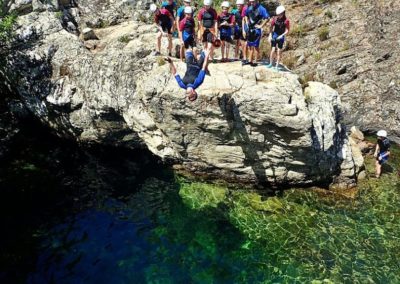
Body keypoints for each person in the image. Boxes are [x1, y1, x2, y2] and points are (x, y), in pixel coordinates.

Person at [243, 0, 270, 66]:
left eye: (253, 1)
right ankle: (250, 60)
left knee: (256, 46)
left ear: (257, 1)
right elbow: (246, 15)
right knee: (249, 45)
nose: (252, 3)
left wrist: (261, 25)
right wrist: (246, 23)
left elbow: (267, 18)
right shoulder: (249, 8)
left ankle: (255, 61)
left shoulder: (261, 9)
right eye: (251, 2)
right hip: (250, 29)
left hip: (257, 30)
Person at [267, 5, 290, 70]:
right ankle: (271, 63)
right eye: (278, 14)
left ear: (283, 13)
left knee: (279, 51)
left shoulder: (286, 21)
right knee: (273, 50)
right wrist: (270, 35)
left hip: (281, 36)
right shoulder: (275, 19)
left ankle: (277, 66)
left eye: (280, 14)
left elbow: (287, 30)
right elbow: (271, 28)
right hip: (275, 35)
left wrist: (282, 35)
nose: (278, 16)